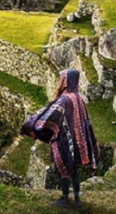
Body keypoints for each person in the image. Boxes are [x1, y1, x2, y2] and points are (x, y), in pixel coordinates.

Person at [21, 69, 100, 208]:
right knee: (74, 170)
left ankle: (65, 198)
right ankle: (77, 199)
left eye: (63, 79)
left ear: (67, 81)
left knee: (62, 169)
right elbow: (86, 121)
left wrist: (32, 124)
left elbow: (50, 115)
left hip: (64, 140)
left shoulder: (64, 99)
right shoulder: (79, 98)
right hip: (77, 141)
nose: (61, 82)